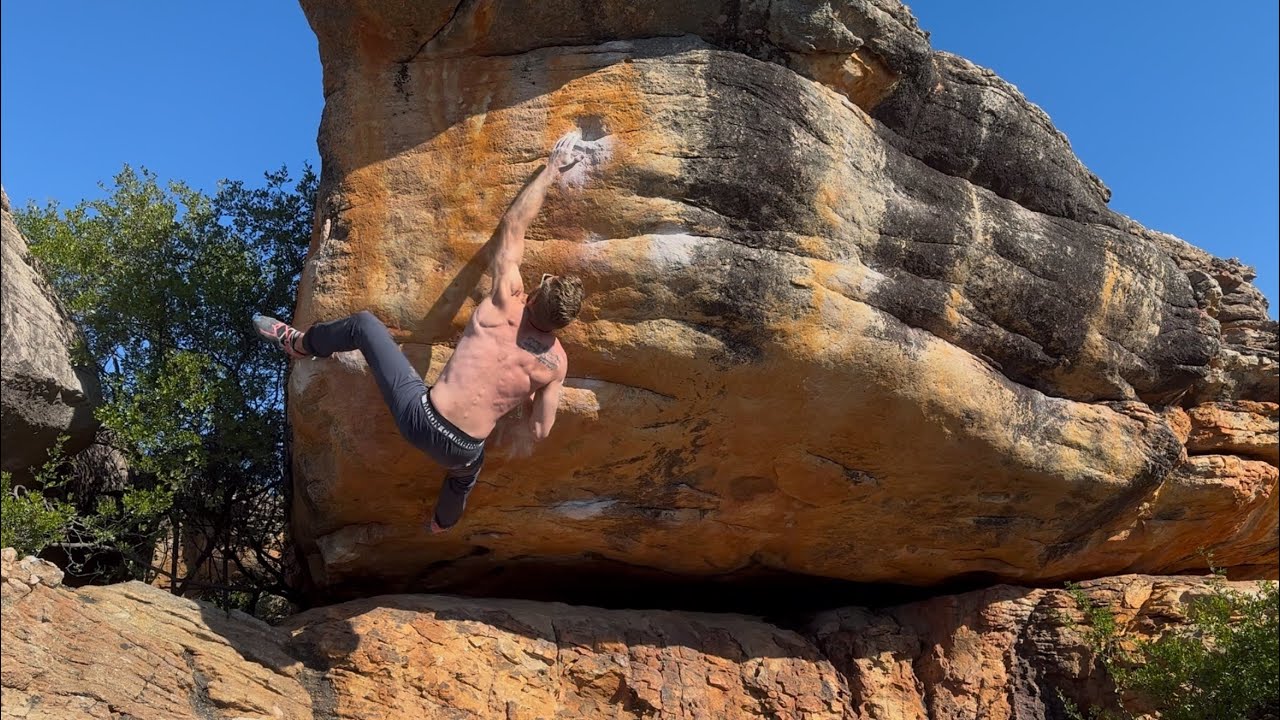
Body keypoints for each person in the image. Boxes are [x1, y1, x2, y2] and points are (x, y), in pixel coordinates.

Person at [254, 132, 586, 533]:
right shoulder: (556, 363)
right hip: (463, 450)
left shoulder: (505, 303)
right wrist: (526, 392)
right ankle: (441, 524)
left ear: (534, 297)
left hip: (421, 419)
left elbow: (513, 226)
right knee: (465, 475)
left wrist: (552, 168)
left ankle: (299, 344)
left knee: (363, 325)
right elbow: (539, 430)